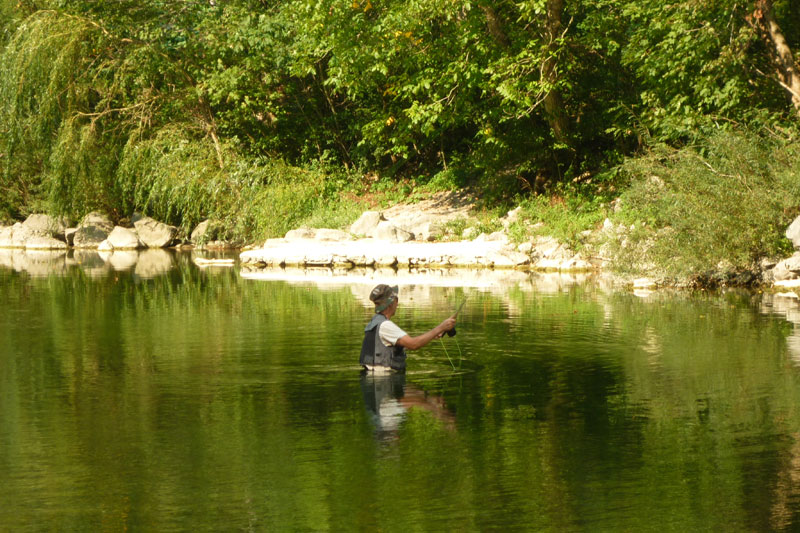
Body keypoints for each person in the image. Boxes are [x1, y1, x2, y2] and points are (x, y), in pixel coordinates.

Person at [359, 284, 457, 373]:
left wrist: (435, 333)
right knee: (424, 393)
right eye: (396, 299)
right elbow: (414, 344)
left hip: (375, 377)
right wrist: (441, 327)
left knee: (420, 393)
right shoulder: (385, 326)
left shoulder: (375, 322)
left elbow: (403, 344)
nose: (397, 303)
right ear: (393, 302)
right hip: (386, 379)